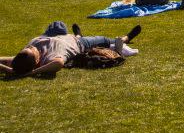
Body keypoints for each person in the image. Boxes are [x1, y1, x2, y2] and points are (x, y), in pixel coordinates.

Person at [0, 24, 140, 77]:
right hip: (79, 43)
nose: (31, 47)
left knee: (59, 25)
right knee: (106, 40)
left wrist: (10, 70)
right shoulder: (50, 58)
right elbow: (59, 64)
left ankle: (78, 33)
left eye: (28, 48)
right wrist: (31, 73)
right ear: (37, 61)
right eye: (32, 50)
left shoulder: (25, 55)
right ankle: (127, 37)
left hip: (59, 35)